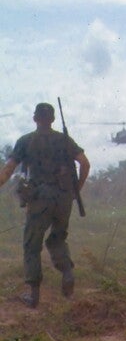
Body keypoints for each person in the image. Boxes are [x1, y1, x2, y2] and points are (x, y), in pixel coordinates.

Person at [0, 103, 90, 308]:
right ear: (52, 119)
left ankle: (33, 295)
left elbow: (8, 170)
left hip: (40, 198)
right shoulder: (64, 140)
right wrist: (76, 191)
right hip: (64, 198)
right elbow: (85, 163)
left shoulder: (25, 141)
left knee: (32, 244)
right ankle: (67, 273)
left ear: (35, 119)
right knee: (57, 239)